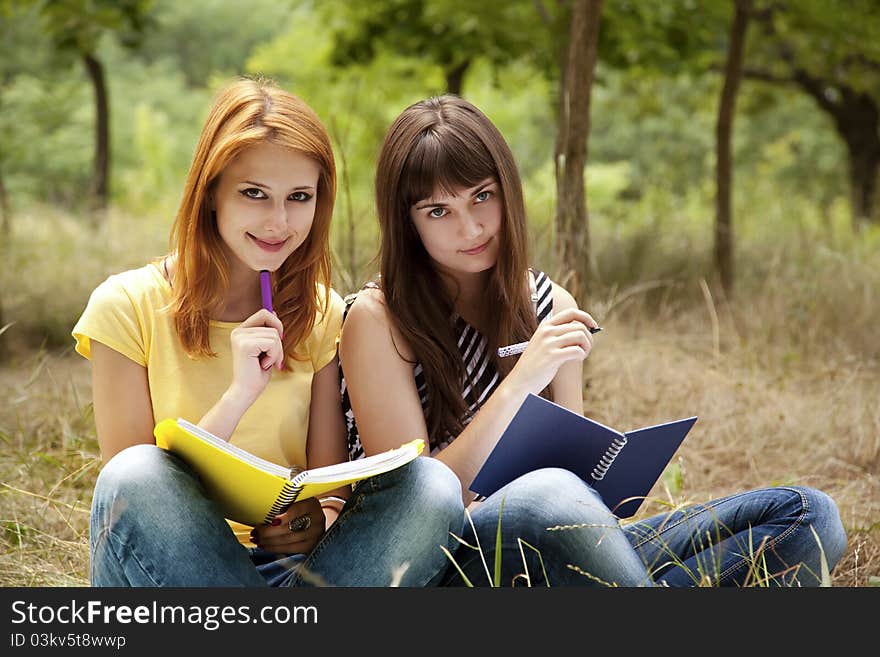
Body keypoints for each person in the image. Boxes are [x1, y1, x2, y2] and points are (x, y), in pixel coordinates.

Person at [338, 94, 848, 587]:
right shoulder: (378, 319)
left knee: (808, 517)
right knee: (544, 494)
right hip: (445, 568)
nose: (470, 227)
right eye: (437, 211)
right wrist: (522, 382)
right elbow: (425, 510)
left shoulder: (548, 305)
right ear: (407, 224)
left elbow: (578, 491)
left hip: (549, 547)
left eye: (482, 197)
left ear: (507, 192)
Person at [72, 77, 463, 587]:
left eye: (299, 197)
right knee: (138, 472)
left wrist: (312, 520)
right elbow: (134, 501)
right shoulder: (125, 306)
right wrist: (240, 394)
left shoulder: (319, 311)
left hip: (290, 573)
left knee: (431, 486)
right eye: (254, 194)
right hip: (171, 572)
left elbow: (328, 489)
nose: (278, 222)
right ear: (210, 192)